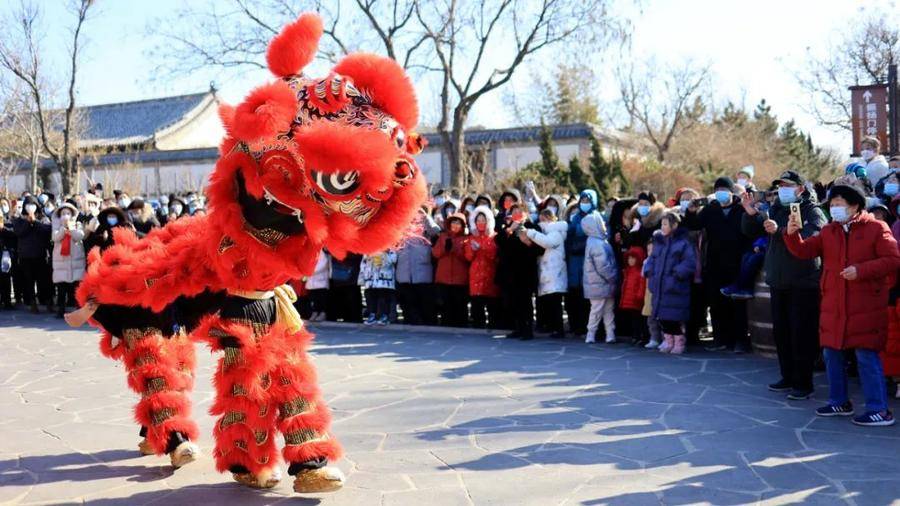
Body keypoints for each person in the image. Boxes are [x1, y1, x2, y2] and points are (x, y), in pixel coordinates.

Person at [785, 183, 900, 426]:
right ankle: (839, 401)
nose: (835, 209)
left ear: (855, 205)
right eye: (832, 205)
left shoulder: (877, 228)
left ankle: (879, 409)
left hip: (866, 304)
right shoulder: (829, 231)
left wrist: (861, 270)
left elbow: (892, 260)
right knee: (831, 353)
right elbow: (804, 251)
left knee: (866, 356)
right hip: (834, 305)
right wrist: (792, 233)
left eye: (839, 205)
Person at [741, 170, 827, 399]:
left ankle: (803, 383)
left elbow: (813, 238)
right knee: (782, 333)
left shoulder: (812, 210)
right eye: (780, 185)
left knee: (802, 334)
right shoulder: (776, 208)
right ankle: (787, 376)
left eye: (788, 185)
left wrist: (779, 231)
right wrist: (750, 214)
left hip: (804, 281)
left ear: (800, 188)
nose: (783, 189)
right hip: (778, 281)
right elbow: (751, 231)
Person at [684, 177, 753, 353]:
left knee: (737, 304)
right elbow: (694, 226)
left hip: (737, 262)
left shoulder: (740, 208)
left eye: (724, 188)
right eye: (718, 189)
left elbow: (752, 229)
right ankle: (720, 338)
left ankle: (739, 340)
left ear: (731, 191)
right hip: (714, 263)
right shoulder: (710, 209)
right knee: (716, 303)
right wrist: (691, 212)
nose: (721, 192)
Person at [643, 213, 697, 354]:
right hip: (659, 286)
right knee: (662, 318)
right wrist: (649, 271)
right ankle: (668, 340)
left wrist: (677, 274)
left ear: (675, 225)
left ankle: (679, 340)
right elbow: (652, 259)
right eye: (662, 224)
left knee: (674, 318)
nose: (663, 227)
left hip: (675, 287)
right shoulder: (659, 242)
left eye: (666, 224)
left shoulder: (683, 243)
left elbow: (690, 262)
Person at [495, 203, 543, 339]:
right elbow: (498, 242)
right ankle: (518, 328)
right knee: (513, 302)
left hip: (526, 272)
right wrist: (510, 229)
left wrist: (528, 242)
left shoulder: (533, 227)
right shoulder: (508, 228)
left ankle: (528, 330)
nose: (517, 214)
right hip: (510, 273)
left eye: (520, 211)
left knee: (525, 302)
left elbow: (541, 249)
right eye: (514, 211)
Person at [526, 208, 569, 338]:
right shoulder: (548, 233)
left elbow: (547, 243)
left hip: (555, 274)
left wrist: (531, 233)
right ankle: (552, 327)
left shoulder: (556, 232)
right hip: (549, 274)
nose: (541, 222)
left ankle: (558, 329)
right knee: (550, 303)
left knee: (555, 304)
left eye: (543, 219)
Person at [564, 189, 598, 337]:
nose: (585, 204)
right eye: (582, 201)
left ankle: (589, 328)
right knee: (575, 294)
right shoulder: (576, 218)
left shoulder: (596, 217)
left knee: (588, 297)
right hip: (574, 262)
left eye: (587, 201)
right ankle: (576, 326)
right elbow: (569, 235)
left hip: (589, 260)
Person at [396, 209, 439, 325]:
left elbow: (436, 231)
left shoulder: (425, 224)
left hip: (422, 270)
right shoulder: (402, 222)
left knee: (425, 300)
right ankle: (410, 322)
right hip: (404, 270)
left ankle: (428, 323)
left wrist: (425, 217)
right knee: (407, 301)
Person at [581, 212, 618, 344]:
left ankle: (610, 334)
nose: (604, 224)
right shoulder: (597, 243)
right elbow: (603, 266)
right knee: (598, 310)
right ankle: (591, 334)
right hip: (600, 283)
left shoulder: (598, 241)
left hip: (601, 284)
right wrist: (613, 277)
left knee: (607, 310)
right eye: (601, 222)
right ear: (594, 225)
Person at [13, 196, 52, 314]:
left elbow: (47, 230)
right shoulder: (20, 220)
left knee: (44, 281)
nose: (30, 208)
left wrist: (35, 221)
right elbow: (18, 232)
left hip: (40, 255)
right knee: (29, 281)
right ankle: (32, 302)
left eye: (33, 205)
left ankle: (48, 301)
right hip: (25, 256)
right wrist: (27, 222)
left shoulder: (43, 218)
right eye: (28, 205)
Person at [465, 206, 500, 329]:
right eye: (478, 220)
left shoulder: (494, 237)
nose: (480, 223)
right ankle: (478, 325)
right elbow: (468, 257)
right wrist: (473, 250)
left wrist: (482, 248)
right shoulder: (471, 237)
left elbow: (494, 256)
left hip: (490, 273)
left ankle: (493, 324)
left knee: (492, 302)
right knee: (477, 303)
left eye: (483, 220)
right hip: (475, 274)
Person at [432, 212, 470, 327]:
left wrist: (455, 250)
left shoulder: (465, 239)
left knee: (460, 305)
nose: (455, 225)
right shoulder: (443, 237)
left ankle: (461, 326)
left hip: (460, 280)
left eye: (458, 223)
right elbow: (435, 253)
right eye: (453, 222)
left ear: (463, 225)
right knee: (445, 306)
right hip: (443, 279)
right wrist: (445, 248)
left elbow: (467, 258)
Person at [50, 203, 86, 318]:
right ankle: (61, 308)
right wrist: (63, 229)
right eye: (63, 213)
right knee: (61, 287)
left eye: (68, 213)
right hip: (61, 260)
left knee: (77, 287)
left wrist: (71, 229)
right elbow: (55, 238)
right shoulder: (56, 226)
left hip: (75, 260)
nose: (66, 216)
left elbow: (80, 236)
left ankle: (78, 308)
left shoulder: (77, 224)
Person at [359, 250, 398, 325]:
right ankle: (372, 315)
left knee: (384, 296)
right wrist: (363, 274)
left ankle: (385, 316)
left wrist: (384, 254)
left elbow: (393, 260)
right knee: (370, 297)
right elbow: (363, 262)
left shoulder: (390, 247)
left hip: (384, 278)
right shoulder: (368, 248)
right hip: (371, 278)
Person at [619, 246, 647, 344]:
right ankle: (636, 335)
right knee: (634, 319)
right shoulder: (628, 271)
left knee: (639, 319)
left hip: (637, 299)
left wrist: (639, 296)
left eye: (633, 258)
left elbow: (642, 285)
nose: (630, 260)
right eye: (629, 258)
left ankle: (641, 336)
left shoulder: (640, 271)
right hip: (630, 299)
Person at [328, 253, 363, 323]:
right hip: (339, 271)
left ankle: (354, 317)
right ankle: (346, 316)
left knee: (352, 296)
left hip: (351, 272)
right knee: (342, 295)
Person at [304, 250, 330, 322]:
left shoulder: (322, 253)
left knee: (321, 298)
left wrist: (312, 271)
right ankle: (314, 312)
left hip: (320, 280)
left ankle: (322, 313)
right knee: (313, 298)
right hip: (311, 280)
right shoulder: (309, 252)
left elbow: (323, 264)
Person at [0, 214, 16, 309]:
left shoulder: (8, 225)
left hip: (4, 257)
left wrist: (3, 229)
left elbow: (14, 233)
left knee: (5, 279)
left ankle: (7, 301)